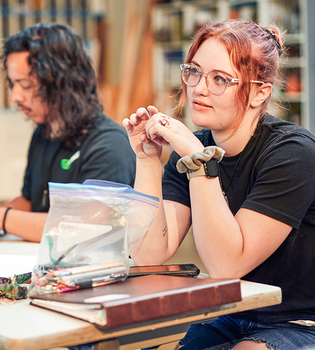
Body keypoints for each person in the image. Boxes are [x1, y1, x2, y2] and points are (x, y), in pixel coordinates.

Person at [123, 19, 315, 350]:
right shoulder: (192, 148)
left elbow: (227, 265)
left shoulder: (293, 153)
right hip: (231, 314)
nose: (199, 88)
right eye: (194, 72)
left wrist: (200, 162)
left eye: (220, 79)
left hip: (299, 321)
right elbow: (148, 255)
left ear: (259, 92)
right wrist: (147, 160)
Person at [0, 22, 136, 243]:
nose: (14, 96)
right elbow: (31, 202)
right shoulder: (44, 133)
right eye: (12, 84)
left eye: (25, 85)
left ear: (62, 82)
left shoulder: (109, 146)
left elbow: (85, 228)